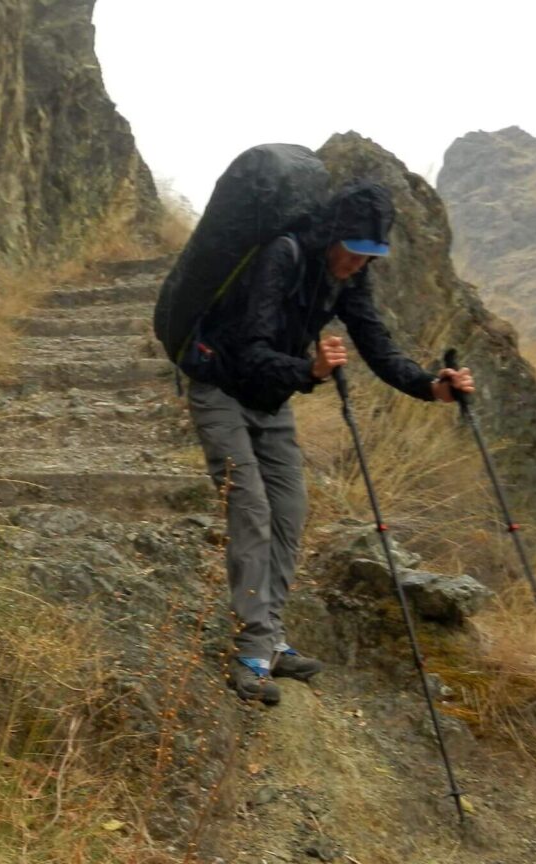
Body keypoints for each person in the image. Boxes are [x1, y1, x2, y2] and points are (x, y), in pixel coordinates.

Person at [185, 181, 476, 704]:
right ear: (335, 236)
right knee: (251, 511)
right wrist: (311, 369)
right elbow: (248, 347)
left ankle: (270, 636)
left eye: (371, 256)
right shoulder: (284, 255)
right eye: (355, 252)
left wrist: (431, 387)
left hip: (272, 399)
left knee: (290, 511)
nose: (359, 264)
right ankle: (251, 653)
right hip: (221, 389)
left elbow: (377, 344)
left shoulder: (347, 279)